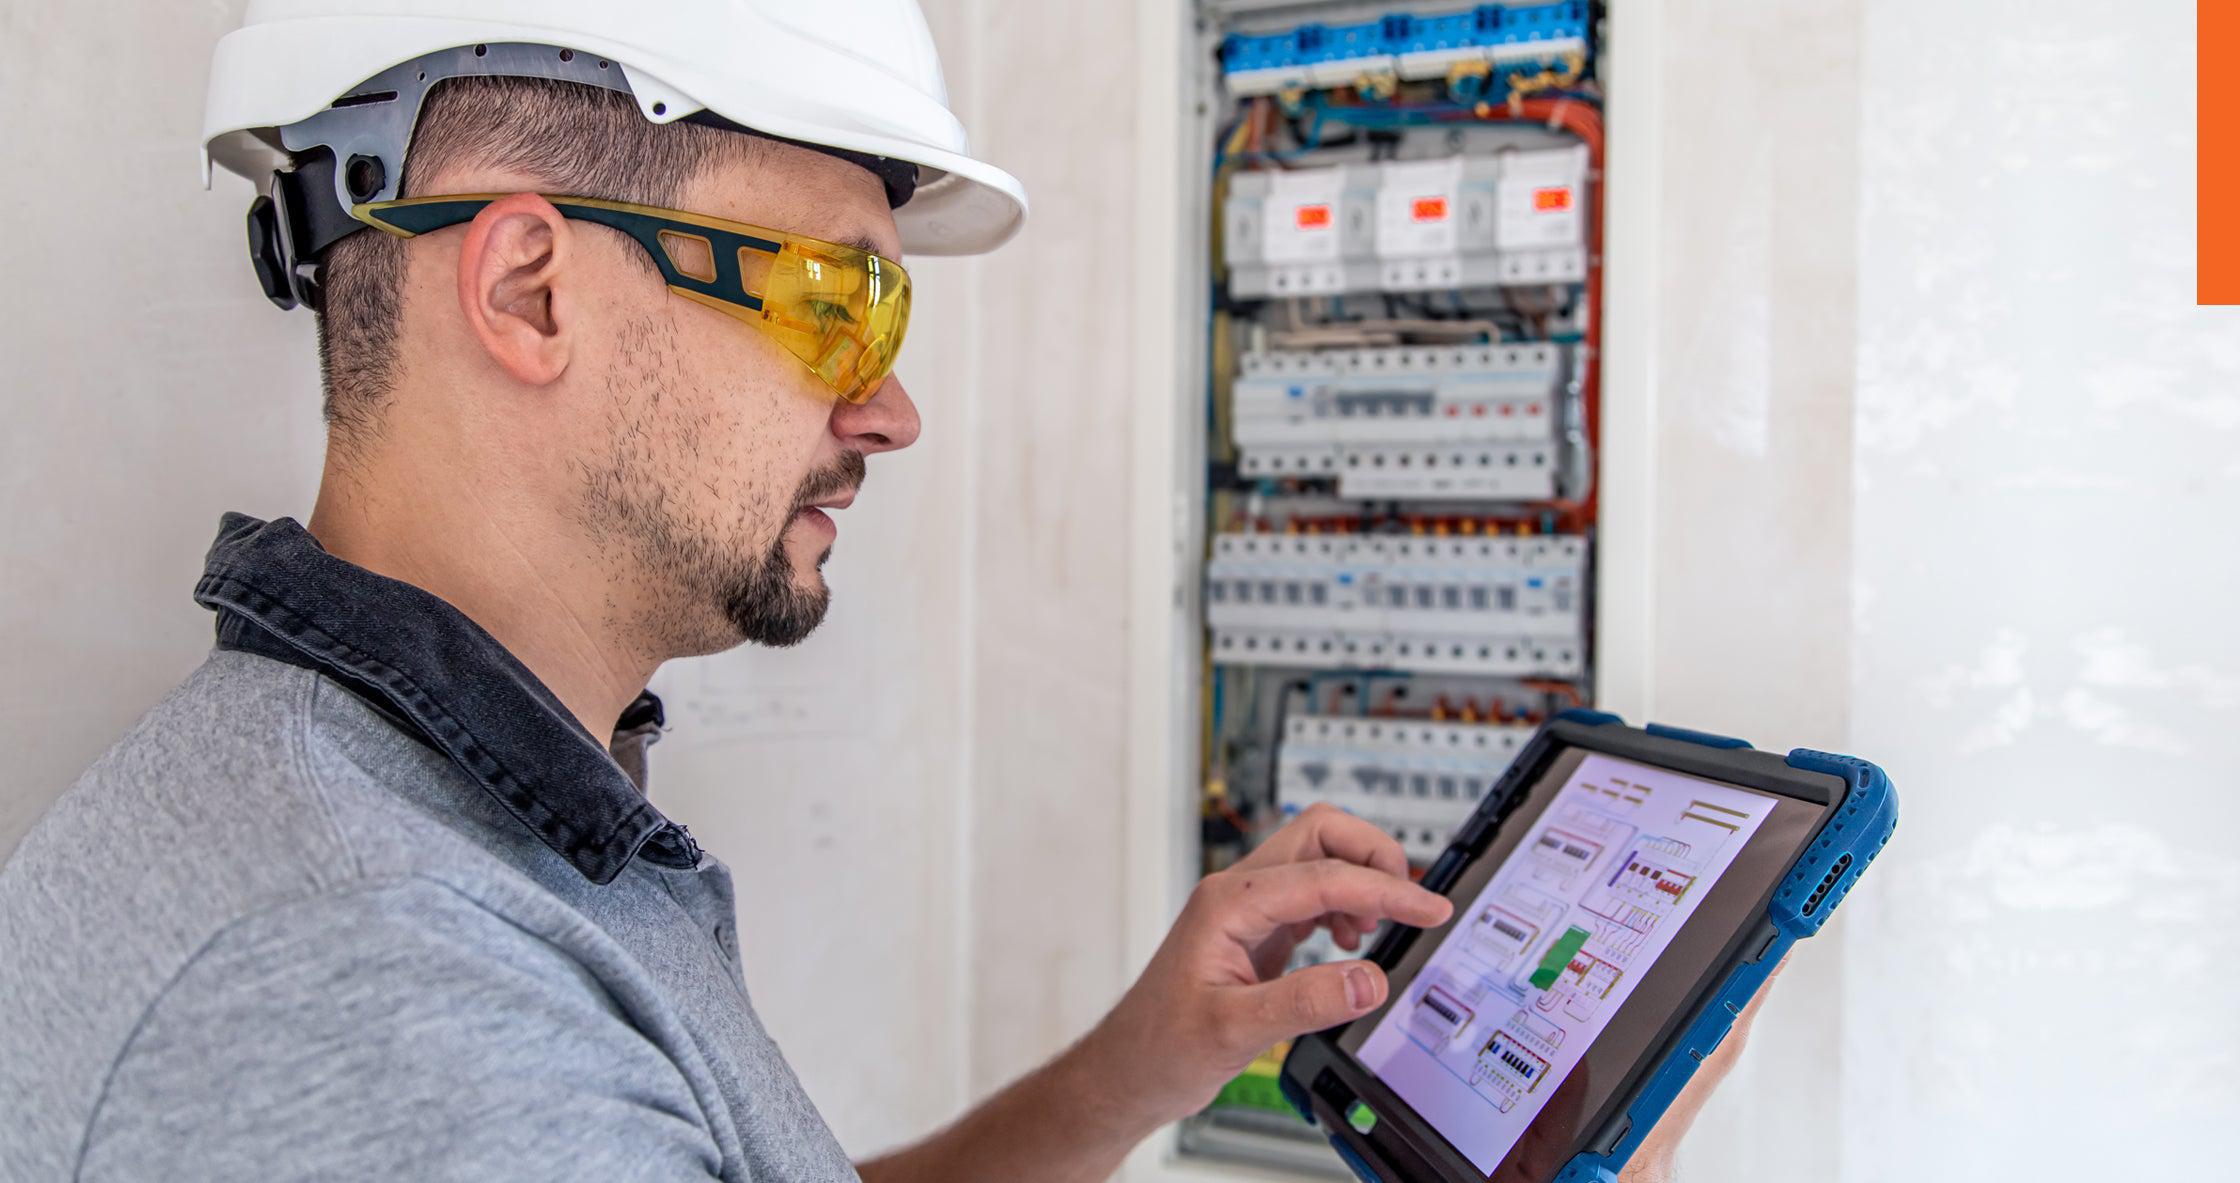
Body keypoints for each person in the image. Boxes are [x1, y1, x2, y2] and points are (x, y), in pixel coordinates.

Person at [0, 3, 1764, 1179]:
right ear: (532, 290)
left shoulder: (424, 824)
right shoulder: (379, 999)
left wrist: (1128, 1071)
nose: (890, 406)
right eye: (838, 303)